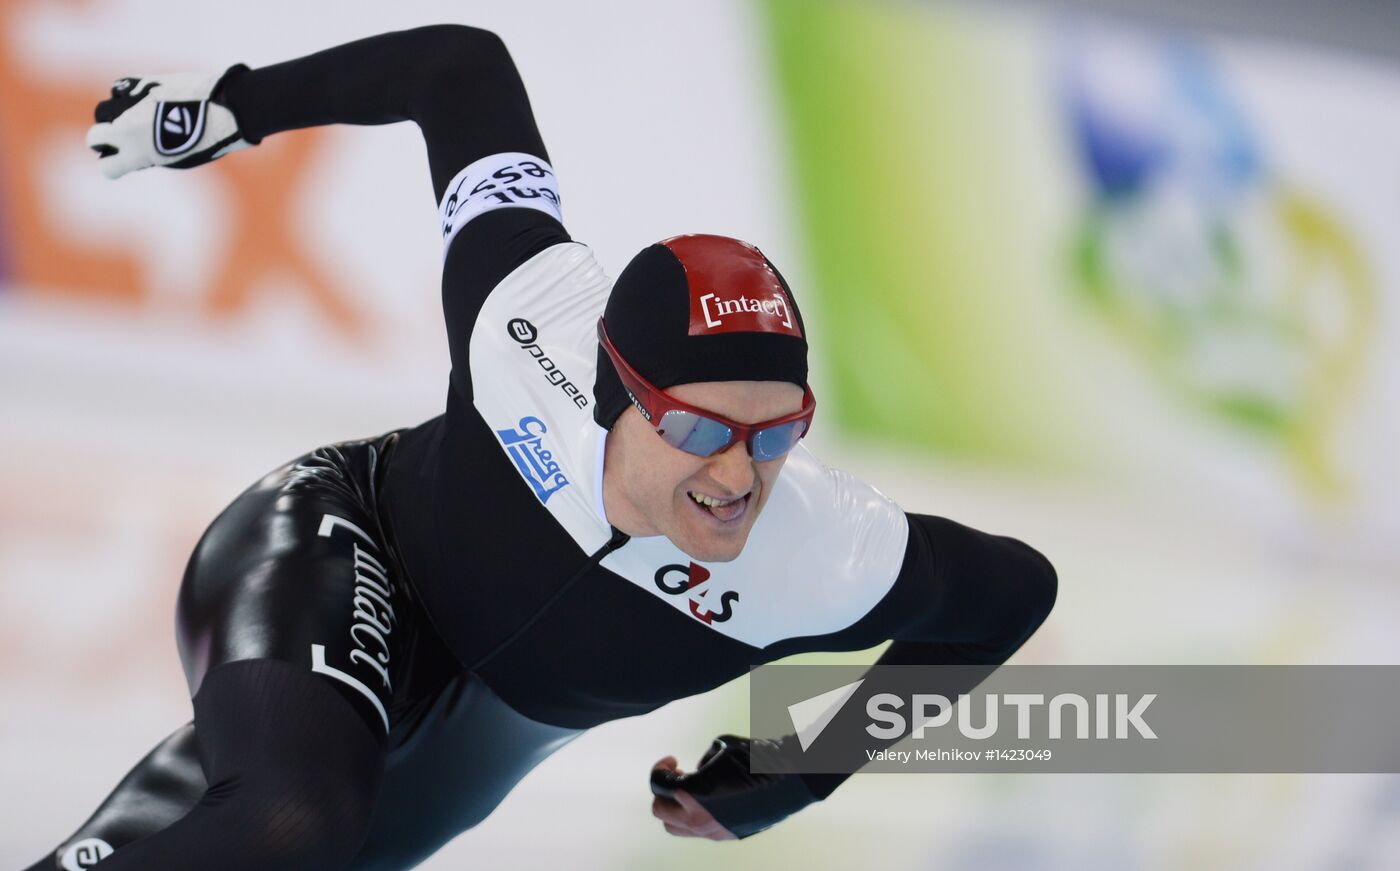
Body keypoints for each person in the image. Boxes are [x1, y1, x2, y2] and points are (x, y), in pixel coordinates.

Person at [26, 24, 1057, 871]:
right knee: (291, 825)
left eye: (775, 432)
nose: (736, 475)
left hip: (492, 725)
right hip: (349, 540)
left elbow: (1013, 592)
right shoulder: (527, 317)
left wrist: (797, 771)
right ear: (615, 395)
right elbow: (456, 67)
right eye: (696, 429)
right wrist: (227, 108)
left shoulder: (823, 549)